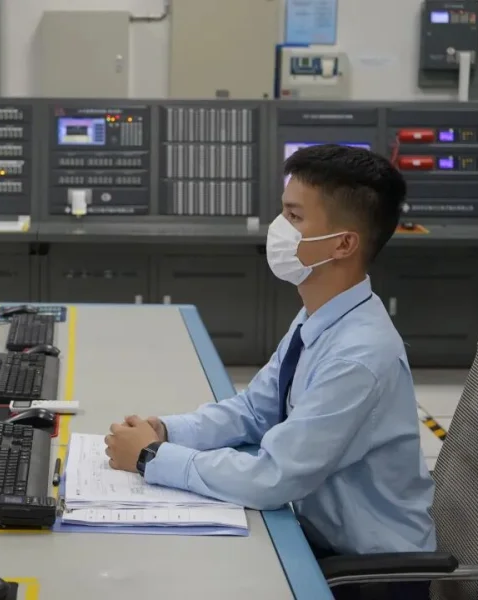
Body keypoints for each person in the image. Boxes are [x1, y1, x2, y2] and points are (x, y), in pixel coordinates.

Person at [104, 145, 436, 600]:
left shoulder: (357, 356)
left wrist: (152, 457)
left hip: (369, 576)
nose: (278, 228)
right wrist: (167, 430)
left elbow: (274, 477)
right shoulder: (322, 316)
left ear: (343, 244)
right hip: (318, 539)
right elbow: (255, 411)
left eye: (294, 217)